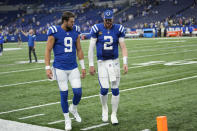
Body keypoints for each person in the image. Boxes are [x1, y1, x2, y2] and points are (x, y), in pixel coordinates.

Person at [45, 11, 86, 131]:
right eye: (71, 21)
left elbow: (79, 49)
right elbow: (47, 50)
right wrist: (47, 68)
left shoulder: (76, 31)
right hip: (60, 68)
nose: (73, 23)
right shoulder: (54, 31)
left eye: (74, 21)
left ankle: (73, 108)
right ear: (65, 21)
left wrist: (83, 66)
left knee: (78, 93)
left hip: (73, 67)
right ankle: (67, 119)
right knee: (64, 94)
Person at [88, 10, 128, 125]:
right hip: (101, 63)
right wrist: (91, 64)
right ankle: (104, 108)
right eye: (107, 20)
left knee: (115, 89)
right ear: (103, 19)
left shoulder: (119, 29)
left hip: (114, 62)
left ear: (113, 19)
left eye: (110, 20)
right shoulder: (97, 28)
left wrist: (125, 62)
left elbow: (123, 47)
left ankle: (114, 114)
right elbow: (91, 48)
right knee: (104, 89)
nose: (108, 22)